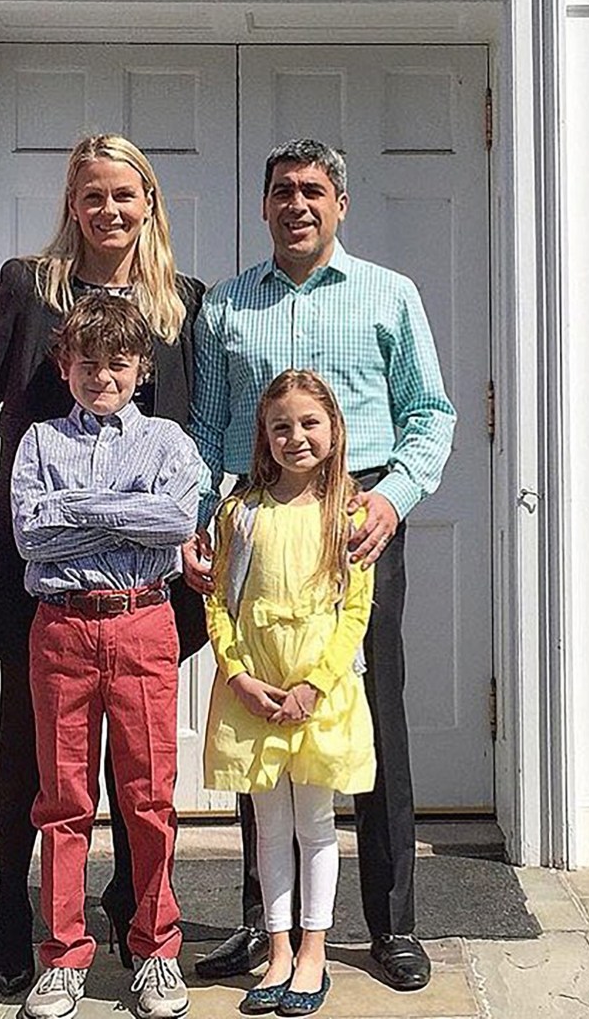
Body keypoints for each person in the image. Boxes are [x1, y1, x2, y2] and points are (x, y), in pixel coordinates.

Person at [188, 139, 456, 991]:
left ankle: (391, 924)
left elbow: (430, 413)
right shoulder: (228, 306)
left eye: (312, 190)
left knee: (368, 713)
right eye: (281, 191)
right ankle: (259, 923)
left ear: (340, 204)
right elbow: (204, 425)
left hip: (357, 520)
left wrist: (391, 500)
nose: (296, 203)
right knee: (255, 716)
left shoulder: (389, 295)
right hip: (255, 521)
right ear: (263, 206)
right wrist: (200, 525)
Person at [0, 133, 207, 996]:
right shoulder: (28, 288)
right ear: (73, 204)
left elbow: (199, 428)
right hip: (47, 575)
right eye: (93, 195)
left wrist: (185, 527)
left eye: (126, 194)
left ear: (149, 203)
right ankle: (14, 912)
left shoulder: (184, 302)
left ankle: (134, 916)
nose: (110, 210)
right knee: (32, 753)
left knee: (139, 767)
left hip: (150, 580)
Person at [11, 293, 202, 1019]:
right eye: (88, 363)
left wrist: (81, 505)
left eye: (117, 364)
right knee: (63, 802)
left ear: (140, 368)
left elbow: (175, 521)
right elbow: (33, 536)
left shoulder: (168, 443)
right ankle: (62, 957)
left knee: (149, 798)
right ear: (65, 366)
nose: (102, 377)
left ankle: (155, 950)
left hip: (142, 625)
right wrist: (124, 510)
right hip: (60, 629)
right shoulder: (36, 444)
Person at [203, 369, 375, 1017]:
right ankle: (276, 948)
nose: (295, 437)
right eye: (281, 426)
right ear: (263, 437)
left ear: (332, 429)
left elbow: (355, 612)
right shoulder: (241, 512)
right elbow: (220, 602)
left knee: (316, 824)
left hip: (318, 695)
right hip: (257, 689)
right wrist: (239, 675)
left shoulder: (348, 513)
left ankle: (313, 951)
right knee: (269, 828)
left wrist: (315, 684)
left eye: (309, 423)